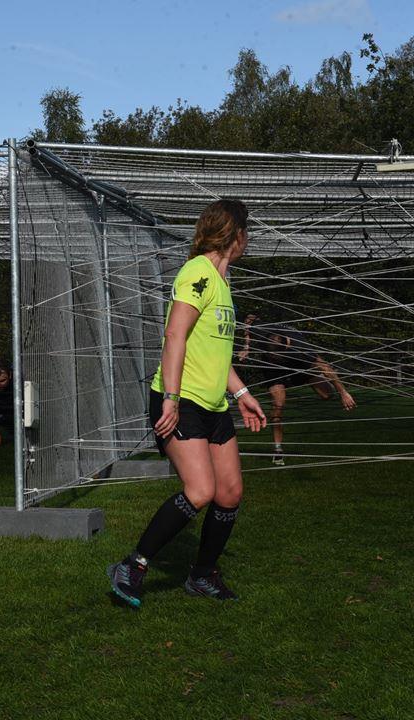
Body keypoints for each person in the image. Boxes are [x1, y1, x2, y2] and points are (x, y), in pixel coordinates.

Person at [107, 199, 266, 609]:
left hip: (213, 405)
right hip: (183, 400)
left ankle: (202, 575)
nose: (249, 240)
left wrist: (242, 395)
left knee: (229, 493)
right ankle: (132, 566)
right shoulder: (197, 272)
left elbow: (214, 353)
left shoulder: (223, 282)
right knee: (200, 490)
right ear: (236, 234)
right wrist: (171, 399)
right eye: (247, 232)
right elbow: (175, 336)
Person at [239, 316, 356, 465]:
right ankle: (278, 450)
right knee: (278, 405)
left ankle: (308, 376)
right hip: (273, 369)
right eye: (270, 354)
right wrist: (247, 347)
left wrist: (343, 393)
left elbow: (326, 367)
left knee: (327, 394)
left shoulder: (302, 348)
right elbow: (249, 320)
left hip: (298, 364)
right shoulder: (262, 331)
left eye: (275, 356)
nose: (273, 356)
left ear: (284, 349)